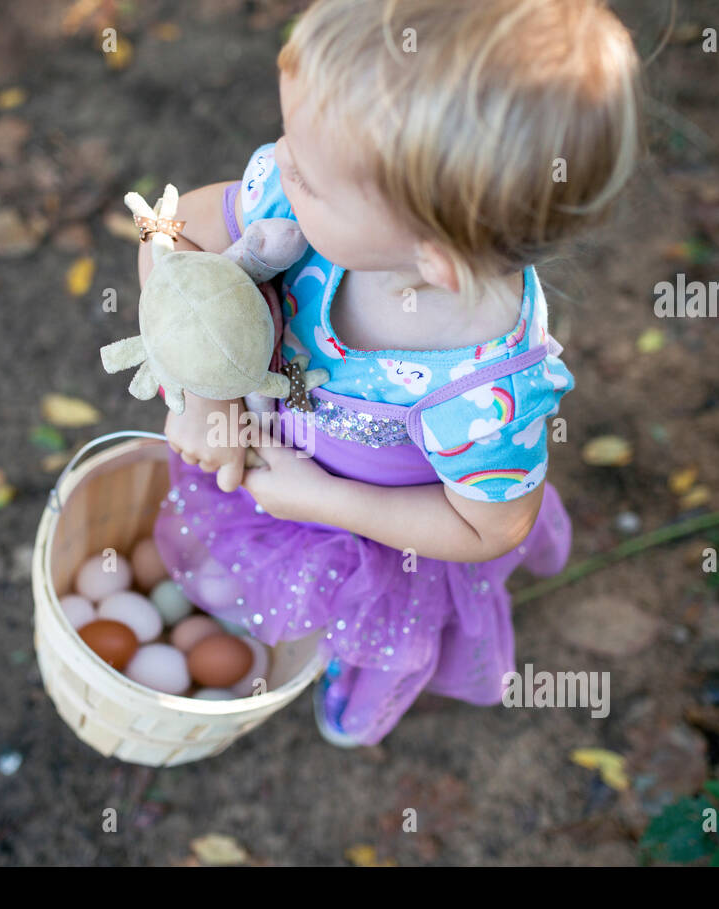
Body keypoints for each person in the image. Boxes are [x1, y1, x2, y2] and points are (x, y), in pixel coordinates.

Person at [139, 0, 642, 745]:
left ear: (432, 256)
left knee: (379, 632)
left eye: (309, 172)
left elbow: (490, 523)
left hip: (385, 539)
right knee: (254, 568)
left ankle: (371, 681)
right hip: (279, 459)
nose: (277, 162)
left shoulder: (484, 392)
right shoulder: (291, 207)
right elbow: (166, 230)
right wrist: (208, 397)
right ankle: (276, 625)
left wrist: (326, 502)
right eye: (290, 141)